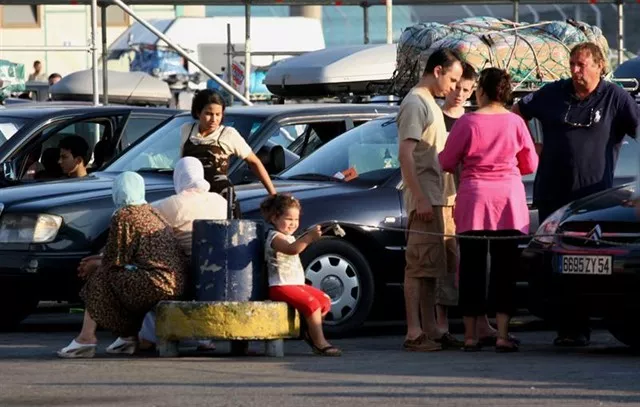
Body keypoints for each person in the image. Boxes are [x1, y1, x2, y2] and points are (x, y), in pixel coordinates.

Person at [513, 42, 639, 347]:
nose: (575, 70)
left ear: (599, 66)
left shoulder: (615, 98)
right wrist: (530, 147)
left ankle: (595, 323)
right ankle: (569, 329)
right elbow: (517, 113)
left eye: (581, 64)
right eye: (572, 64)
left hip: (593, 200)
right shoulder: (553, 92)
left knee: (592, 264)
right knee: (562, 265)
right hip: (553, 195)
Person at [439, 67, 538, 352]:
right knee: (505, 270)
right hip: (508, 201)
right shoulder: (517, 123)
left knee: (471, 267)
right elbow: (530, 165)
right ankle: (503, 334)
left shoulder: (467, 123)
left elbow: (446, 161)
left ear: (481, 91)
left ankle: (470, 335)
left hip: (475, 200)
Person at [58, 172, 189, 358]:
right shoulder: (152, 212)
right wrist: (98, 261)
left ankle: (86, 338)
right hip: (173, 283)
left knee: (102, 276)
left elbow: (114, 259)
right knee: (117, 277)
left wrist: (93, 264)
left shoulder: (124, 215)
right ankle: (127, 337)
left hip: (155, 283)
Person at [397, 48, 463, 352]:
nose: (454, 87)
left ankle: (432, 329)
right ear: (437, 71)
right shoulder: (415, 103)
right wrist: (421, 197)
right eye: (452, 79)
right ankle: (414, 332)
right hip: (425, 196)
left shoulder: (430, 103)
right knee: (418, 266)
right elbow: (405, 154)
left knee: (431, 269)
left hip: (438, 196)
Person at [137, 157, 228, 351]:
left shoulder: (169, 204)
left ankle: (148, 337)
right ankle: (202, 338)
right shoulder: (220, 201)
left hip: (180, 268)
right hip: (214, 268)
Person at [260, 193, 341, 356]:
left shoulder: (290, 237)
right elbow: (292, 250)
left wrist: (309, 236)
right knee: (311, 304)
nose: (293, 224)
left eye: (296, 220)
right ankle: (320, 342)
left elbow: (296, 244)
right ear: (275, 218)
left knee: (324, 300)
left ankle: (310, 332)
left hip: (296, 284)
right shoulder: (274, 237)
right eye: (289, 219)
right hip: (280, 285)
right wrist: (308, 238)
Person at [181, 89, 276, 218]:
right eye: (208, 114)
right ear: (198, 112)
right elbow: (183, 163)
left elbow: (254, 162)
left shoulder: (228, 134)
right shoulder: (187, 130)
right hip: (192, 198)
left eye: (218, 114)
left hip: (221, 199)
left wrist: (273, 194)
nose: (214, 119)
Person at [434, 62, 476, 348]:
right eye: (457, 87)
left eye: (466, 89)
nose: (459, 94)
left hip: (468, 201)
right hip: (443, 198)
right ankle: (441, 324)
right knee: (444, 262)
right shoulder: (436, 117)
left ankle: (479, 322)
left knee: (470, 263)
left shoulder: (473, 121)